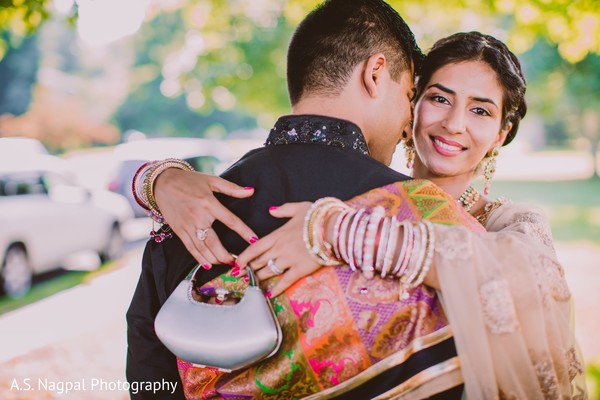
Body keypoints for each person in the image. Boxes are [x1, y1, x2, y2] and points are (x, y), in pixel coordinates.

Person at [135, 31, 588, 398]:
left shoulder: (505, 224)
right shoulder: (363, 186)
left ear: (501, 133)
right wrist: (159, 179)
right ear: (411, 103)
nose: (454, 124)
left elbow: (532, 281)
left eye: (481, 111)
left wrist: (338, 231)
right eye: (439, 98)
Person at [126, 0, 439, 398]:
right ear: (375, 73)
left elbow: (148, 384)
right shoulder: (417, 214)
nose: (408, 122)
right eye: (409, 94)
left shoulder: (185, 219)